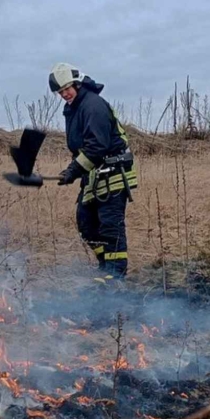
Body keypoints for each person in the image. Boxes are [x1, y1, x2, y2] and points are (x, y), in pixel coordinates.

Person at [49, 63, 137, 282]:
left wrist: (73, 170)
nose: (64, 94)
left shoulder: (93, 105)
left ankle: (116, 273)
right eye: (60, 92)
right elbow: (83, 147)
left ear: (77, 84)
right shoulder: (76, 108)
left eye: (67, 88)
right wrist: (72, 171)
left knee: (110, 224)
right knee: (86, 223)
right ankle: (105, 265)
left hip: (113, 174)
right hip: (95, 176)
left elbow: (96, 146)